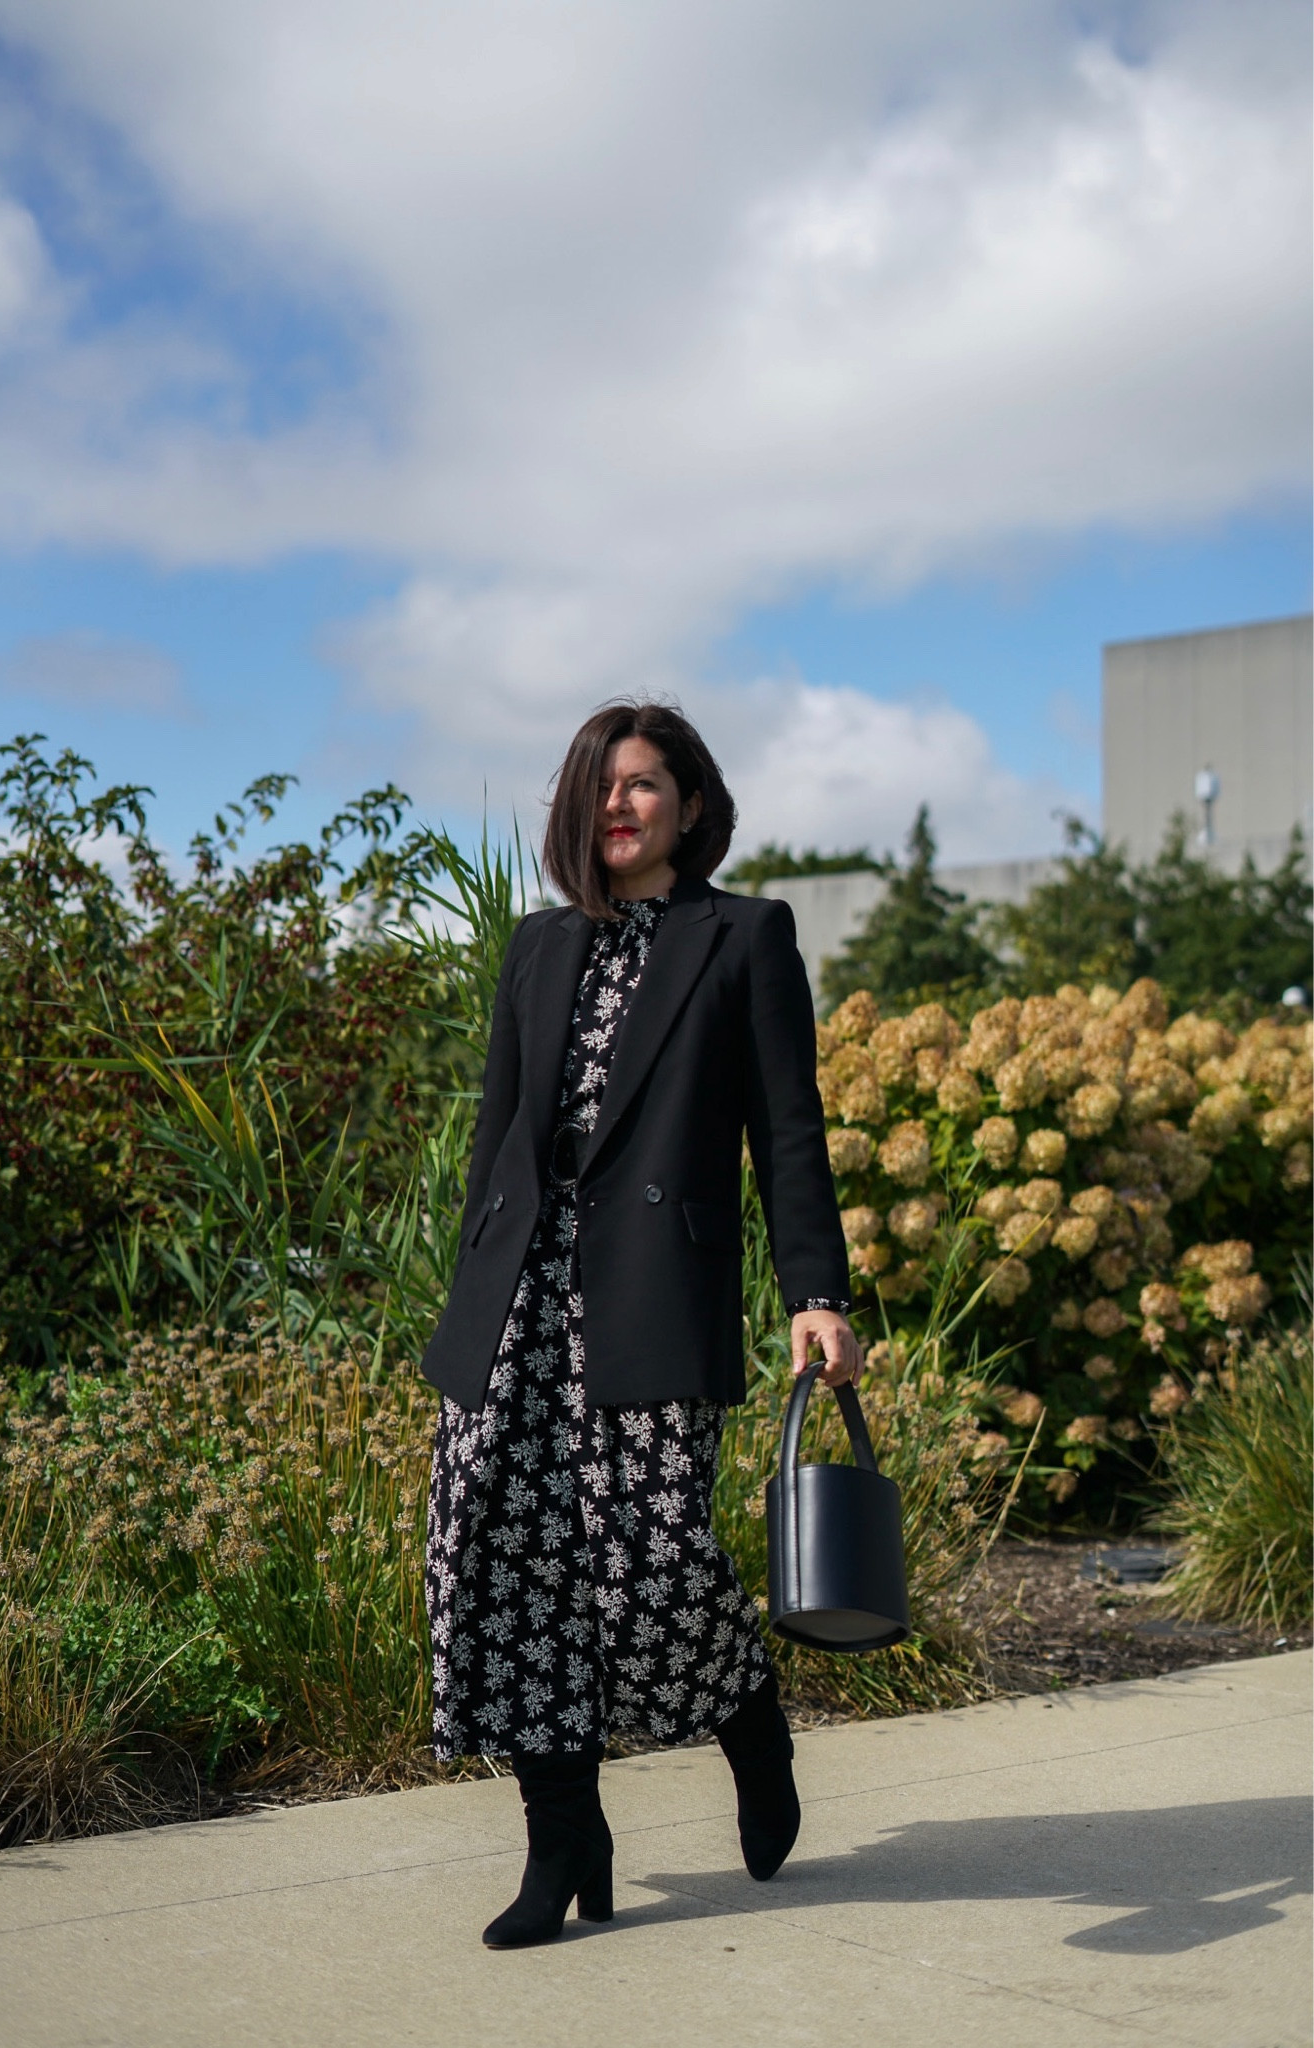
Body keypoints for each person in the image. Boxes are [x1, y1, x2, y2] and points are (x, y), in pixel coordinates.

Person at [421, 701, 861, 1949]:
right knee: (502, 1561)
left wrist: (815, 1293)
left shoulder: (744, 936)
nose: (618, 804)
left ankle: (749, 1720)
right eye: (601, 785)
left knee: (657, 1557)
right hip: (517, 1299)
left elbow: (787, 1131)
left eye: (643, 783)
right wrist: (470, 1294)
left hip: (650, 1289)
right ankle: (563, 1835)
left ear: (690, 803)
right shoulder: (536, 943)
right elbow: (497, 1134)